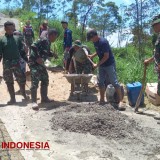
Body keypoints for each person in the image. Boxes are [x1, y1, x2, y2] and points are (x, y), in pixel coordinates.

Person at [86, 29, 125, 110]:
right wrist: (92, 56)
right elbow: (98, 51)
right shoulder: (95, 42)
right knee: (100, 82)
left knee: (114, 82)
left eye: (91, 38)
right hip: (102, 64)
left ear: (95, 36)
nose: (91, 40)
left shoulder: (103, 42)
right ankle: (102, 99)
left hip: (109, 64)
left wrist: (97, 64)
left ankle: (121, 101)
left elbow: (106, 56)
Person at [28, 29, 58, 110]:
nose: (55, 39)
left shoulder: (48, 42)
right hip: (34, 63)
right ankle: (34, 101)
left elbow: (45, 52)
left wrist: (53, 54)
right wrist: (37, 57)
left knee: (45, 79)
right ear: (52, 35)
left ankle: (44, 98)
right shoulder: (43, 39)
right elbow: (33, 46)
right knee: (35, 82)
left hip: (41, 65)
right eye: (55, 37)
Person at [0, 21, 28, 105]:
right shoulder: (1, 40)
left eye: (12, 29)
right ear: (5, 29)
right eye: (8, 29)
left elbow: (22, 51)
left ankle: (23, 93)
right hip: (7, 63)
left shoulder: (17, 38)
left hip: (17, 62)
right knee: (9, 81)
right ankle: (12, 99)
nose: (10, 30)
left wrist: (27, 59)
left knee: (21, 79)